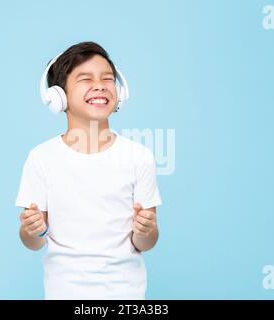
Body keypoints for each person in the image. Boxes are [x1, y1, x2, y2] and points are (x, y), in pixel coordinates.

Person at [15, 41, 163, 299]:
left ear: (120, 93)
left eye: (107, 78)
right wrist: (32, 230)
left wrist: (147, 231)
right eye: (85, 79)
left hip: (125, 295)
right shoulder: (41, 158)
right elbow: (34, 242)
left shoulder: (139, 157)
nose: (100, 85)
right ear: (58, 97)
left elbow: (145, 243)